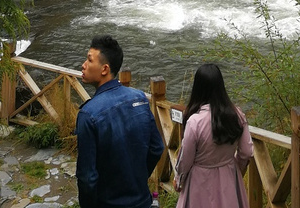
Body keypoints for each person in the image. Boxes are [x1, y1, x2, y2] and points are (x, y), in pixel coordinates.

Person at [75, 34, 164, 208]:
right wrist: (137, 177)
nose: (83, 65)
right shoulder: (139, 98)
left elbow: (87, 177)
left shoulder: (88, 114)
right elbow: (157, 148)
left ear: (104, 69)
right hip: (142, 200)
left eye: (89, 60)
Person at [175, 63, 253, 208]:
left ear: (197, 88)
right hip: (229, 176)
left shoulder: (195, 122)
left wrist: (179, 180)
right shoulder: (237, 115)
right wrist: (237, 169)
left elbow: (186, 160)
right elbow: (247, 152)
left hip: (199, 181)